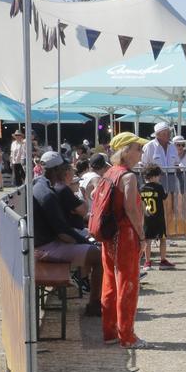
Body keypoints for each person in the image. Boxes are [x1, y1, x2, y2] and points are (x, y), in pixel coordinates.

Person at [32, 151, 102, 317]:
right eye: (63, 168)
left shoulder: (40, 184)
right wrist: (87, 243)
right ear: (57, 170)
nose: (65, 171)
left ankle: (85, 285)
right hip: (46, 248)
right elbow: (63, 233)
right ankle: (94, 305)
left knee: (91, 247)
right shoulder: (47, 194)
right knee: (99, 257)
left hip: (41, 243)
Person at [100, 132, 150, 349]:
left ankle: (110, 331)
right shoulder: (128, 176)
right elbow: (131, 209)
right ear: (126, 150)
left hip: (109, 235)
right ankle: (127, 336)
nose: (141, 152)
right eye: (138, 148)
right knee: (128, 285)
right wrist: (142, 236)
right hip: (126, 235)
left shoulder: (110, 172)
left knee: (110, 283)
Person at [140, 163, 175, 270]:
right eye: (158, 176)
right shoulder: (159, 187)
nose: (159, 178)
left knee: (147, 240)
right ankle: (163, 260)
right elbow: (164, 197)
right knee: (162, 239)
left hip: (146, 218)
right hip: (158, 217)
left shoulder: (141, 188)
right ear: (154, 176)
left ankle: (147, 262)